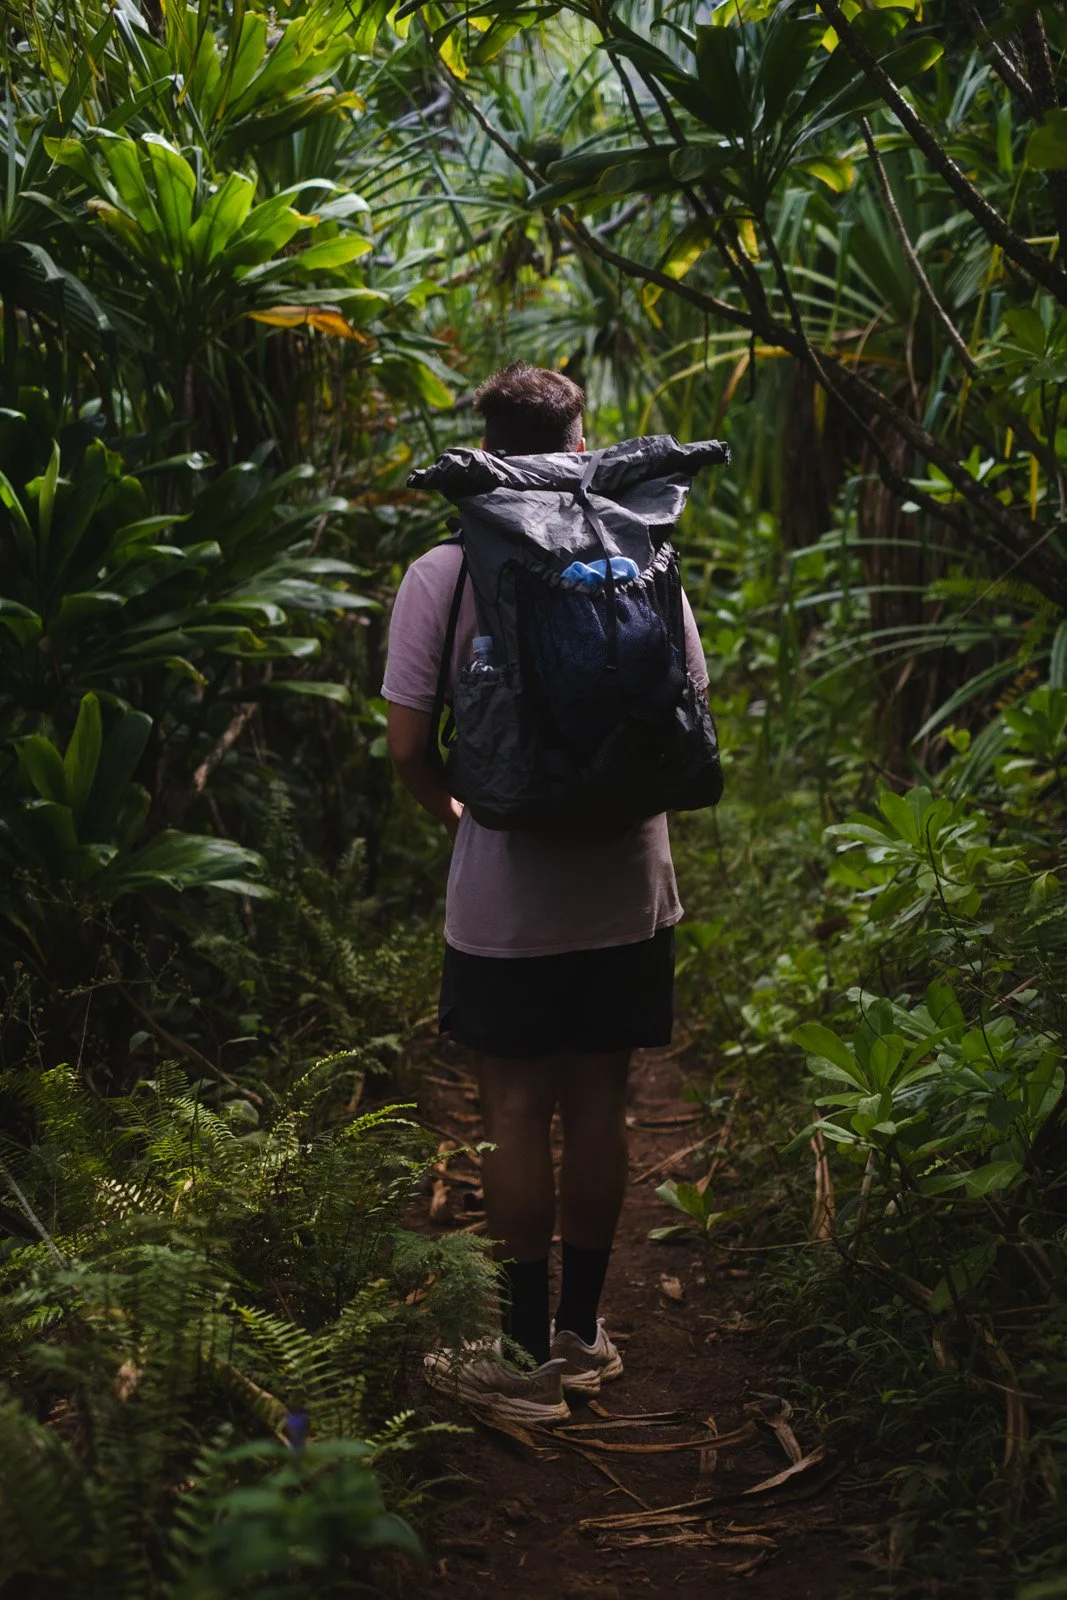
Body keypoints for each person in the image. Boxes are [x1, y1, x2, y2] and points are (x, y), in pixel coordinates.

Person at [381, 362, 709, 1426]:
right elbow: (688, 716)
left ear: (483, 444)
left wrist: (463, 817)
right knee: (601, 1102)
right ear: (581, 445)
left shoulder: (443, 570)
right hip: (626, 883)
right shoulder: (640, 552)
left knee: (514, 1108)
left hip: (504, 896)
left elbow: (407, 748)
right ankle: (581, 1333)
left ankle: (520, 1355)